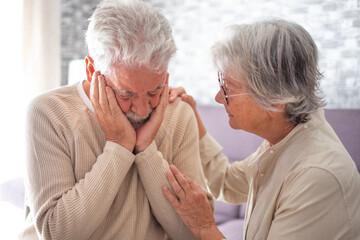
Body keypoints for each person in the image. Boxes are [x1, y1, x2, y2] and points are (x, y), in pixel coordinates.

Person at [20, 0, 212, 239]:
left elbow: (195, 232)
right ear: (92, 71)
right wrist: (119, 146)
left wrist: (146, 151)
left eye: (155, 90)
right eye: (126, 94)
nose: (142, 110)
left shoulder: (179, 114)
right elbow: (57, 233)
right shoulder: (48, 113)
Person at [164, 19, 360, 240]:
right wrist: (192, 116)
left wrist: (204, 226)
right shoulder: (285, 136)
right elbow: (226, 182)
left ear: (275, 99)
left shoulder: (316, 176)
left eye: (228, 89)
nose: (218, 98)